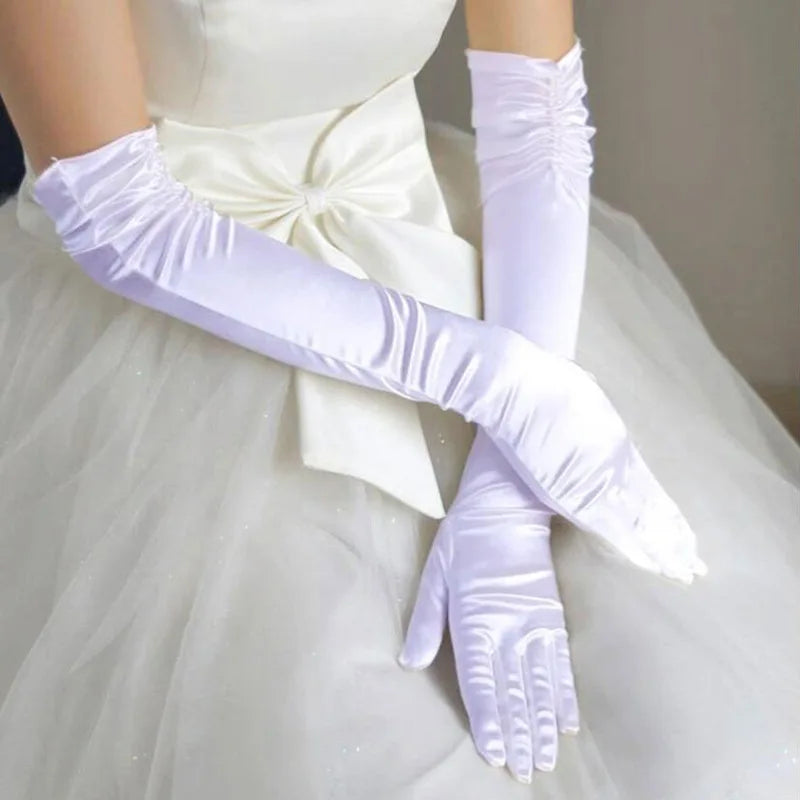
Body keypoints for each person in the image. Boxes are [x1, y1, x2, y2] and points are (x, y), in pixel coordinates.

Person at [0, 1, 797, 798]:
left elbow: (537, 114)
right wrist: (497, 383)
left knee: (701, 719)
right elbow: (115, 206)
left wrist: (510, 486)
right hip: (177, 310)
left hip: (453, 254)